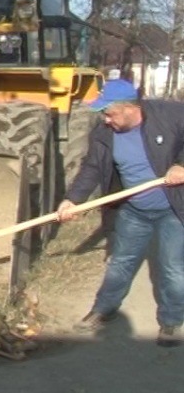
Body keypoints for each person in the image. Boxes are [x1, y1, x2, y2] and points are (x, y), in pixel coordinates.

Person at [57, 79, 184, 347]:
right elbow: (91, 168)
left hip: (173, 209)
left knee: (172, 268)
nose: (105, 119)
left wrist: (181, 164)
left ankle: (171, 321)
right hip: (133, 210)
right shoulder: (104, 135)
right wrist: (72, 200)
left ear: (129, 108)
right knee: (120, 262)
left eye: (109, 113)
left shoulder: (170, 115)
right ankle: (104, 308)